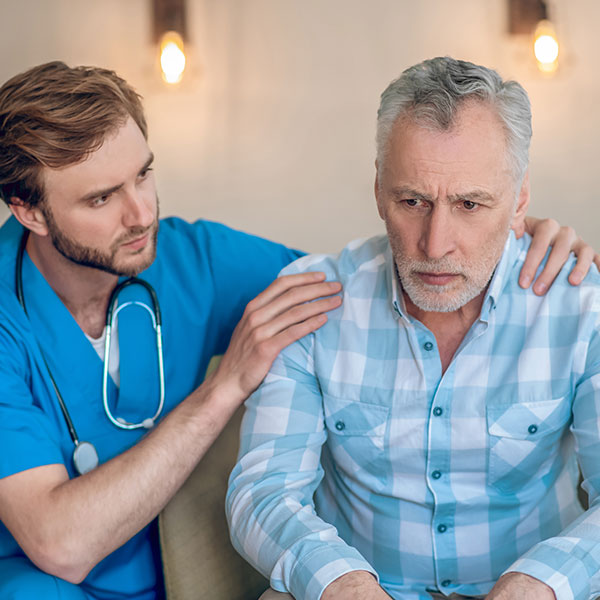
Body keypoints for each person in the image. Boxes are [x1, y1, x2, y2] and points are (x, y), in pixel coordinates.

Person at [0, 61, 592, 600]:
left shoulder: (193, 259)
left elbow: (402, 272)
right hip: (45, 578)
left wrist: (503, 227)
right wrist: (225, 386)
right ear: (27, 210)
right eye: (102, 197)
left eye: (144, 176)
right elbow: (61, 544)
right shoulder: (9, 312)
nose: (141, 213)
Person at [226, 57, 600, 600]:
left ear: (519, 201)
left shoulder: (580, 305)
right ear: (379, 190)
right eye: (412, 201)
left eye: (470, 204)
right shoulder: (313, 300)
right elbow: (262, 493)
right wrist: (342, 582)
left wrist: (539, 584)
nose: (435, 244)